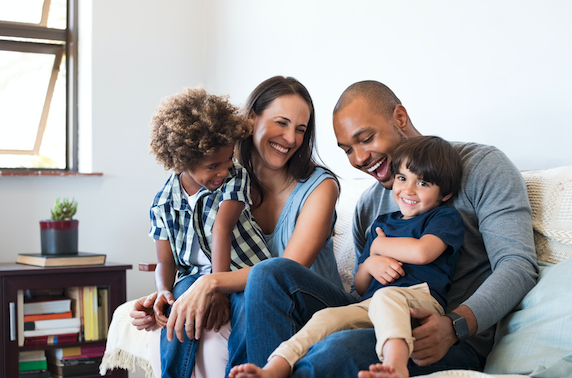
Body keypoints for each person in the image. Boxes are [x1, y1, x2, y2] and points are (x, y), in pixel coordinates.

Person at [239, 80, 538, 377]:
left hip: (442, 336)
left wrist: (455, 325)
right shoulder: (369, 205)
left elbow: (517, 266)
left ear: (400, 118)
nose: (359, 159)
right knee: (269, 274)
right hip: (377, 315)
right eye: (347, 150)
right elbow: (363, 290)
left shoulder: (482, 167)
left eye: (366, 138)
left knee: (334, 351)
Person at [130, 76, 345, 377]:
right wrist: (166, 295)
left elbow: (285, 272)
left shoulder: (320, 188)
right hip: (252, 293)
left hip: (309, 303)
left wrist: (212, 283)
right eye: (281, 123)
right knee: (185, 302)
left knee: (262, 285)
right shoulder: (222, 180)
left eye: (300, 129)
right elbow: (193, 252)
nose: (291, 138)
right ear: (251, 118)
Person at [229, 135, 465, 378]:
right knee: (326, 317)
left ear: (444, 194)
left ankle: (396, 366)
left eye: (423, 184)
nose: (408, 190)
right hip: (370, 305)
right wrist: (371, 261)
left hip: (419, 302)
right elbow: (361, 286)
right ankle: (274, 368)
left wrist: (380, 246)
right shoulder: (382, 223)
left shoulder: (443, 218)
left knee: (387, 296)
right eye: (402, 178)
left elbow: (422, 252)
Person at [147, 87, 273, 377]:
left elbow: (222, 229)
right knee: (179, 306)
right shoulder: (163, 202)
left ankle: (241, 372)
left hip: (242, 272)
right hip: (193, 278)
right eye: (213, 165)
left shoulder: (234, 177)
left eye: (228, 159)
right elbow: (165, 261)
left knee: (246, 309)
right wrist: (163, 291)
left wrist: (217, 288)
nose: (224, 169)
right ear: (182, 161)